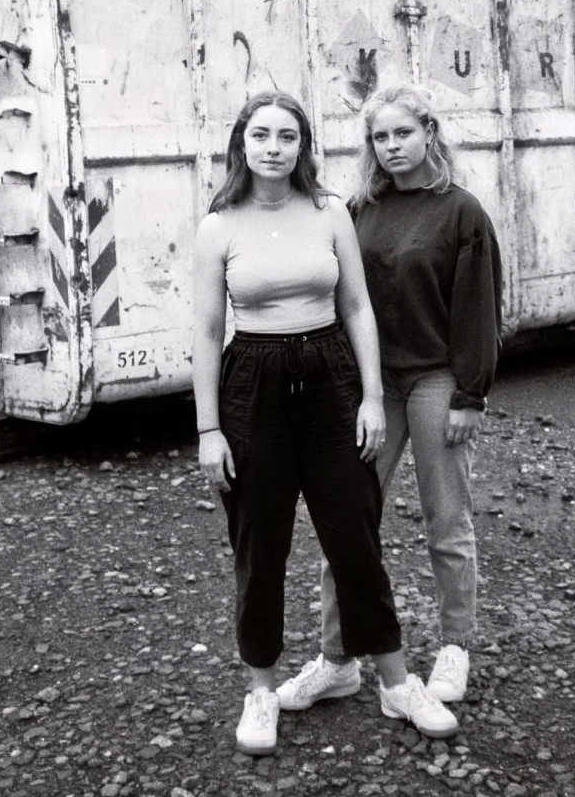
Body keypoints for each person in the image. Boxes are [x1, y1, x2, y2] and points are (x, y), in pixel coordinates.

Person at [193, 90, 458, 756]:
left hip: (331, 380)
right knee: (260, 546)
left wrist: (370, 397)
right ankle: (261, 690)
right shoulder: (218, 225)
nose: (274, 148)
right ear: (241, 144)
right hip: (251, 387)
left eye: (288, 136)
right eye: (261, 135)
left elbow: (358, 307)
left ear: (303, 147)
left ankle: (396, 682)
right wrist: (208, 430)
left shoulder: (330, 210)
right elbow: (206, 333)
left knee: (354, 537)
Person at [277, 84, 502, 714]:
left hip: (435, 380)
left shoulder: (461, 212)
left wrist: (470, 395)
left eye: (403, 133)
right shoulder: (360, 210)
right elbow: (339, 298)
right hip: (372, 386)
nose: (392, 146)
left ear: (430, 132)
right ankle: (338, 659)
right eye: (380, 137)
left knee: (446, 520)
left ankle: (454, 646)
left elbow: (479, 309)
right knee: (346, 522)